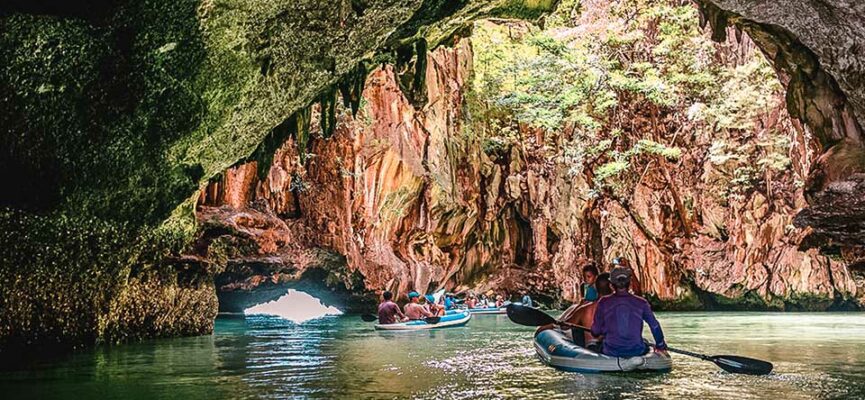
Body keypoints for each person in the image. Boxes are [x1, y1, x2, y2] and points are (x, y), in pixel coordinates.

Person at [591, 267, 667, 358]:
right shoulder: (642, 302)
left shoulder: (603, 302)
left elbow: (595, 331)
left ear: (611, 285)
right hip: (637, 351)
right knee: (645, 342)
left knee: (591, 345)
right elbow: (654, 326)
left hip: (610, 351)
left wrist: (604, 330)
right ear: (629, 283)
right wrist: (660, 345)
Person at [536, 274, 613, 349]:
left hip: (591, 348)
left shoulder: (584, 309)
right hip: (612, 348)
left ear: (595, 287)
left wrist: (549, 326)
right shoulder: (619, 309)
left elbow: (564, 326)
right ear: (613, 288)